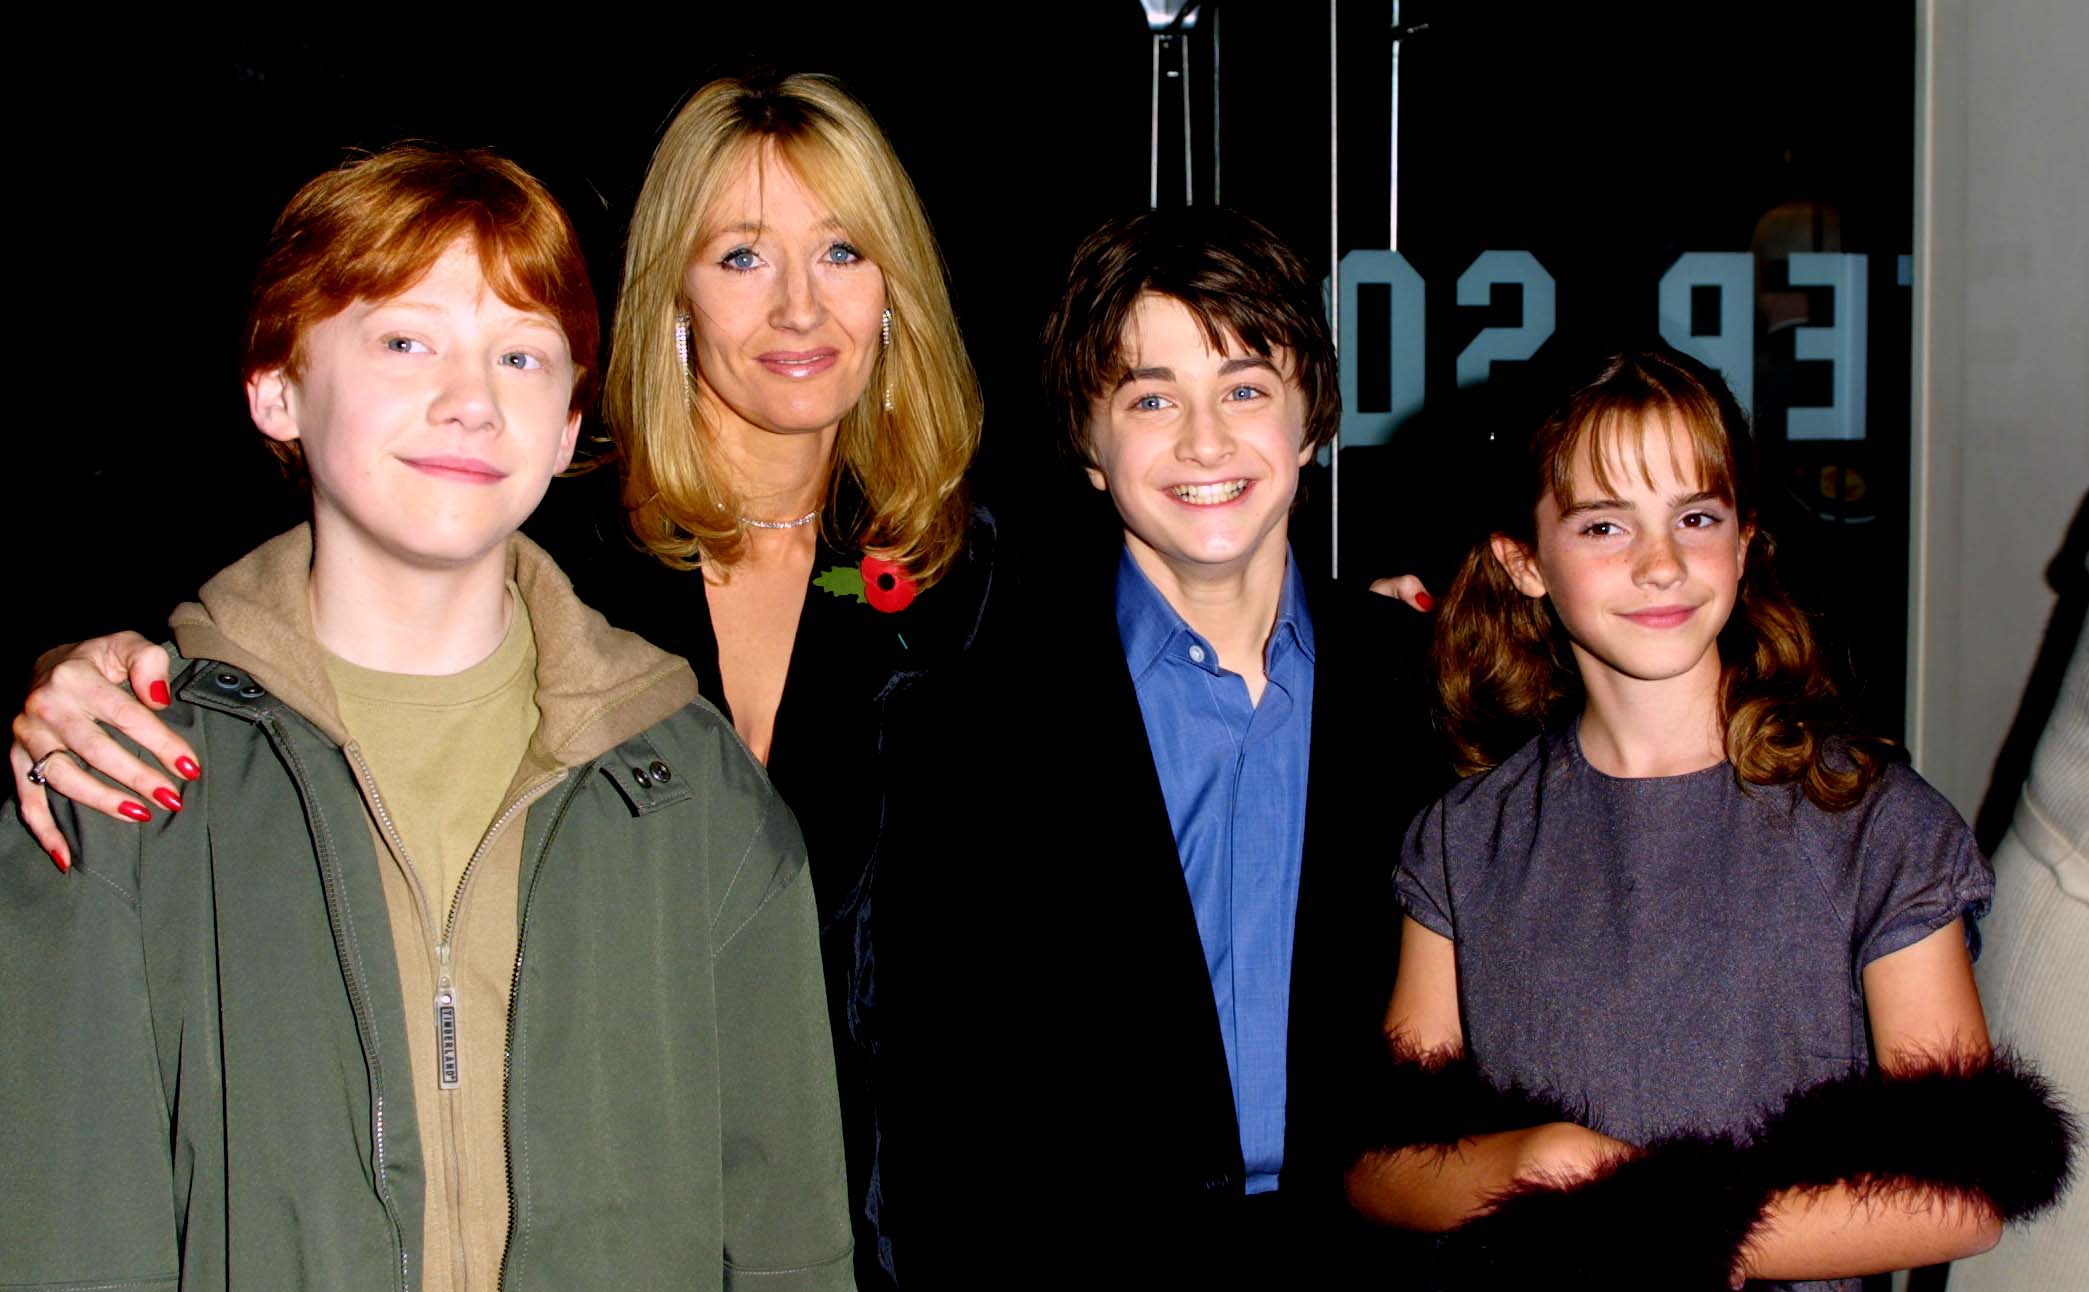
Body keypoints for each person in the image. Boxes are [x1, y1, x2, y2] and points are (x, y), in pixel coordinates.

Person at [6, 73, 987, 1290]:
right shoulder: (527, 521)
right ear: (664, 299)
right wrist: (72, 673)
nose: (798, 302)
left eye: (841, 248)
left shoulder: (980, 585)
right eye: (741, 255)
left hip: (882, 1214)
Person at [1343, 347, 2076, 1289]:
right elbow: (1378, 1169)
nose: (1660, 564)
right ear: (1522, 561)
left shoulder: (1872, 822)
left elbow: (1962, 1196)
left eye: (1696, 517)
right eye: (1604, 525)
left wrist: (1654, 1229)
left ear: (1742, 540)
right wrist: (1533, 1167)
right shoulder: (1462, 838)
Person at [884, 206, 1441, 1287]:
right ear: (1088, 446)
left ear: (1310, 421)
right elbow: (933, 1107)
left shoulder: (1425, 685)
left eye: (1244, 387)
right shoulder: (971, 724)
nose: (1203, 439)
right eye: (1150, 397)